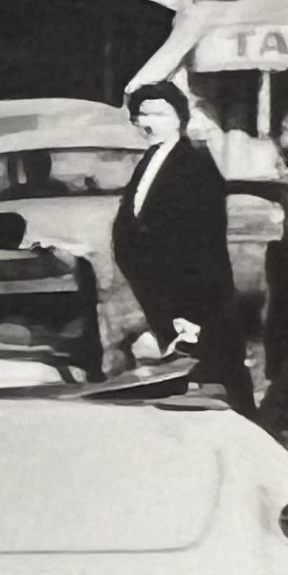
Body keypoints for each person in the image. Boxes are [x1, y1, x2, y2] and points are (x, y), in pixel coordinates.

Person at [109, 84, 248, 403]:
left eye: (159, 114)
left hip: (193, 303)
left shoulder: (195, 164)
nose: (149, 122)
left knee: (216, 382)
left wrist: (189, 311)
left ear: (179, 119)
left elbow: (200, 242)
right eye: (142, 114)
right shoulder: (149, 160)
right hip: (157, 300)